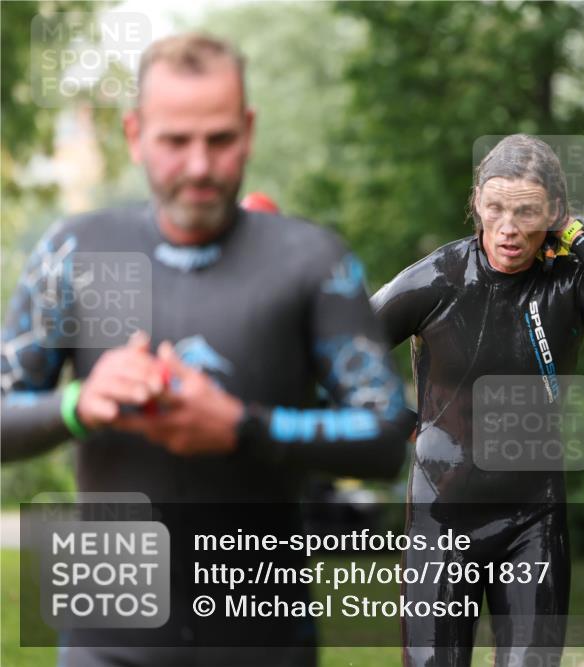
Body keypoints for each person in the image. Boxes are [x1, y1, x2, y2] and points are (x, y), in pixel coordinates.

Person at [1, 33, 413, 667]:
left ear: (248, 131)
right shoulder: (79, 253)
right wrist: (80, 403)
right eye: (174, 141)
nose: (198, 166)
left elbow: (387, 437)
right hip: (106, 641)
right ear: (135, 134)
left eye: (219, 140)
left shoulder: (307, 260)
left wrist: (241, 427)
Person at [370, 134, 584, 666]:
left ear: (552, 213)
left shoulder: (567, 282)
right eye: (495, 208)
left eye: (527, 212)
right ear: (477, 202)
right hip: (442, 516)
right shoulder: (439, 277)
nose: (508, 228)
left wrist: (578, 236)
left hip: (533, 519)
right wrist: (404, 422)